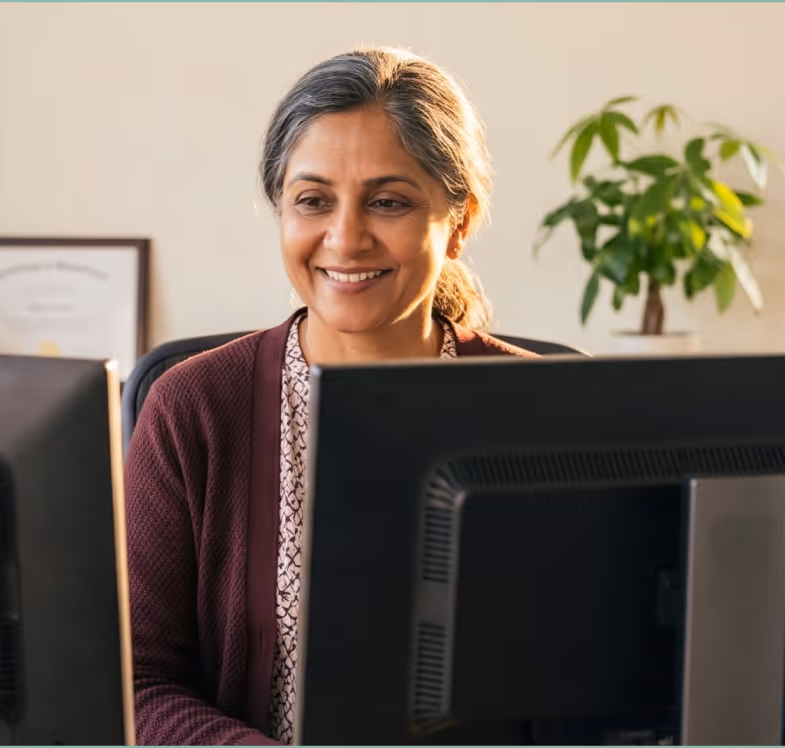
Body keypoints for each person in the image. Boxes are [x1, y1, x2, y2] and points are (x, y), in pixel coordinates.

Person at [123, 46, 538, 745]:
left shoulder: (545, 410)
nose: (345, 239)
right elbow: (135, 682)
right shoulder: (193, 406)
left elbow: (602, 685)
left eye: (389, 202)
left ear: (458, 222)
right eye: (312, 201)